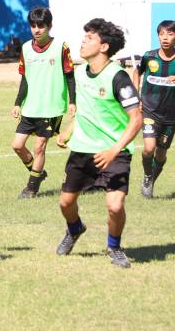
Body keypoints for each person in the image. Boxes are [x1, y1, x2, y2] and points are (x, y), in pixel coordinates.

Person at [55, 18, 142, 269]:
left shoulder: (118, 78)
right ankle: (74, 229)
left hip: (114, 152)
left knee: (115, 206)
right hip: (82, 150)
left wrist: (114, 150)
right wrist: (69, 130)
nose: (83, 41)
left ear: (104, 47)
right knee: (65, 203)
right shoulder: (81, 73)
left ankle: (114, 247)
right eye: (84, 37)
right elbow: (85, 108)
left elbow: (136, 120)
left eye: (90, 38)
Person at [11, 7, 76, 198]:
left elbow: (70, 76)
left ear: (50, 26)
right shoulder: (25, 48)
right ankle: (37, 173)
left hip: (51, 107)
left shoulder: (61, 47)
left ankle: (31, 188)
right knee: (17, 145)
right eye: (33, 26)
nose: (37, 30)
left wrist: (73, 101)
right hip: (31, 106)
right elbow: (25, 78)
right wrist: (17, 103)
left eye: (41, 26)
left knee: (39, 147)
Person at [133, 20, 175, 199]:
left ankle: (151, 179)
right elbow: (136, 72)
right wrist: (136, 96)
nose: (165, 38)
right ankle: (147, 176)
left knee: (161, 153)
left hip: (171, 115)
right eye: (162, 34)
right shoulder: (149, 57)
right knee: (148, 148)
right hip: (150, 110)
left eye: (170, 34)